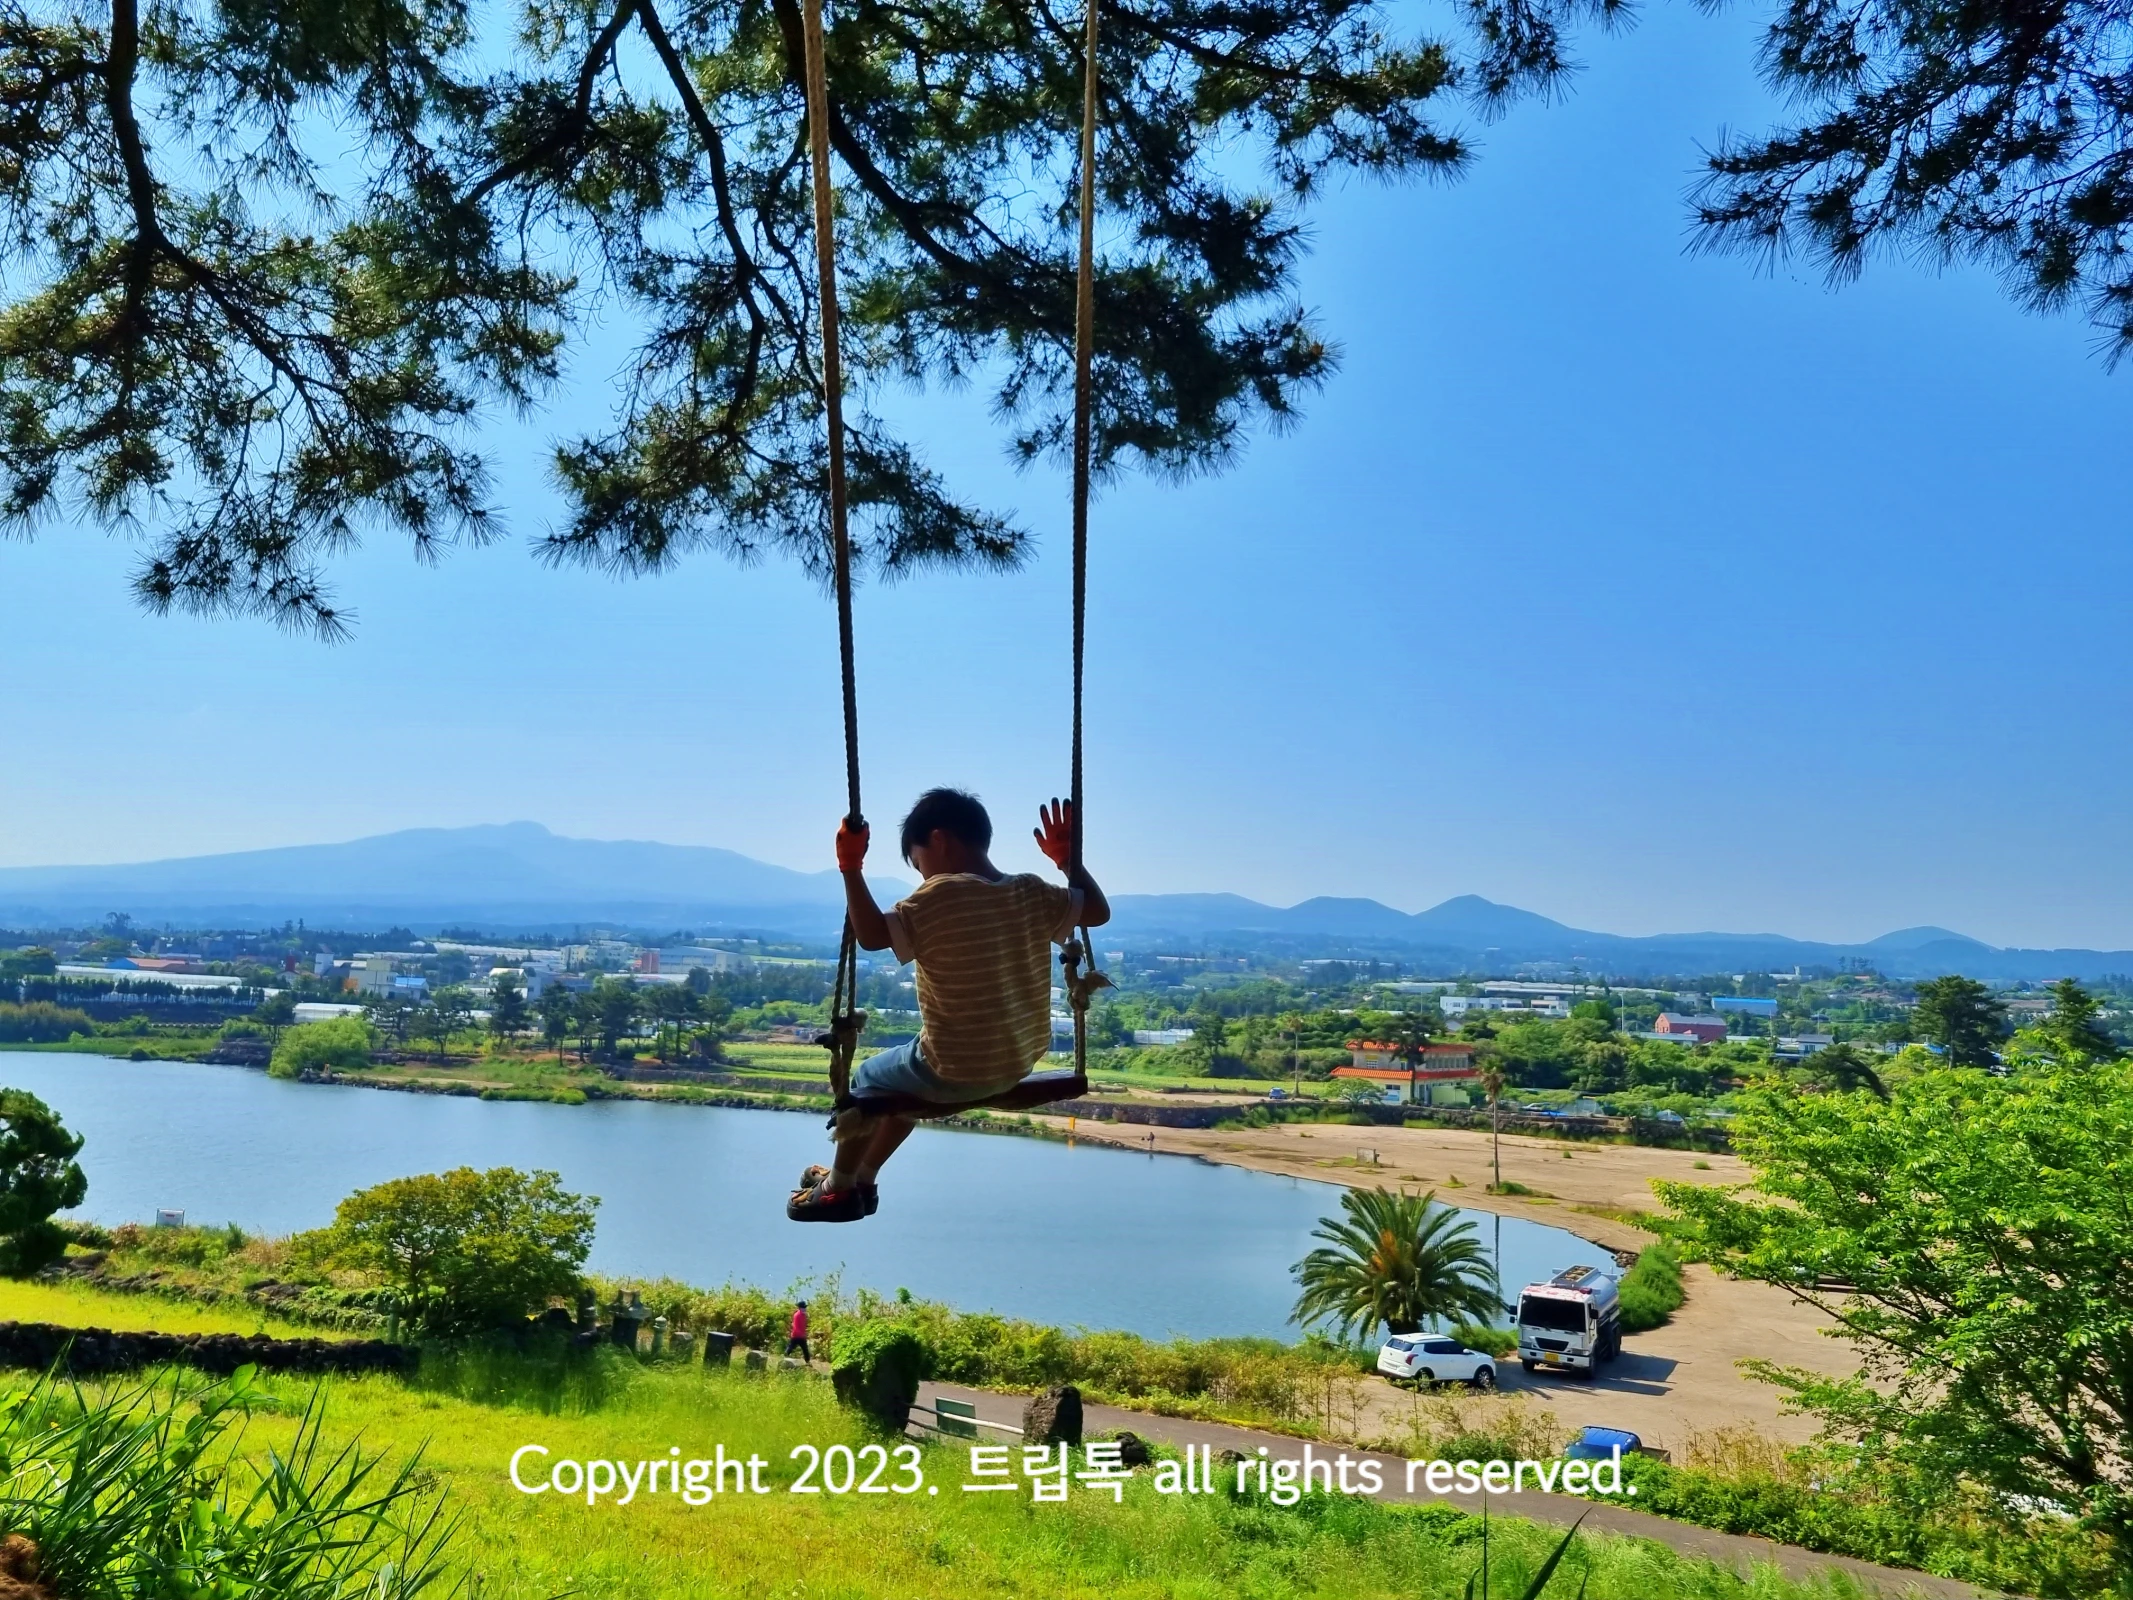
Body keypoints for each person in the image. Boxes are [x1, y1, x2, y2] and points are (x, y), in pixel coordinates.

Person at [788, 788, 1110, 1222]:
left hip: (951, 1068)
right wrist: (1068, 860)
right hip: (1016, 1062)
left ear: (939, 840)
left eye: (919, 864)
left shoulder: (934, 899)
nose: (922, 876)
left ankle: (839, 1187)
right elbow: (1097, 912)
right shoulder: (1032, 892)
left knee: (869, 1078)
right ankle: (865, 1173)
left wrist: (850, 868)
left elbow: (870, 935)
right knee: (903, 1083)